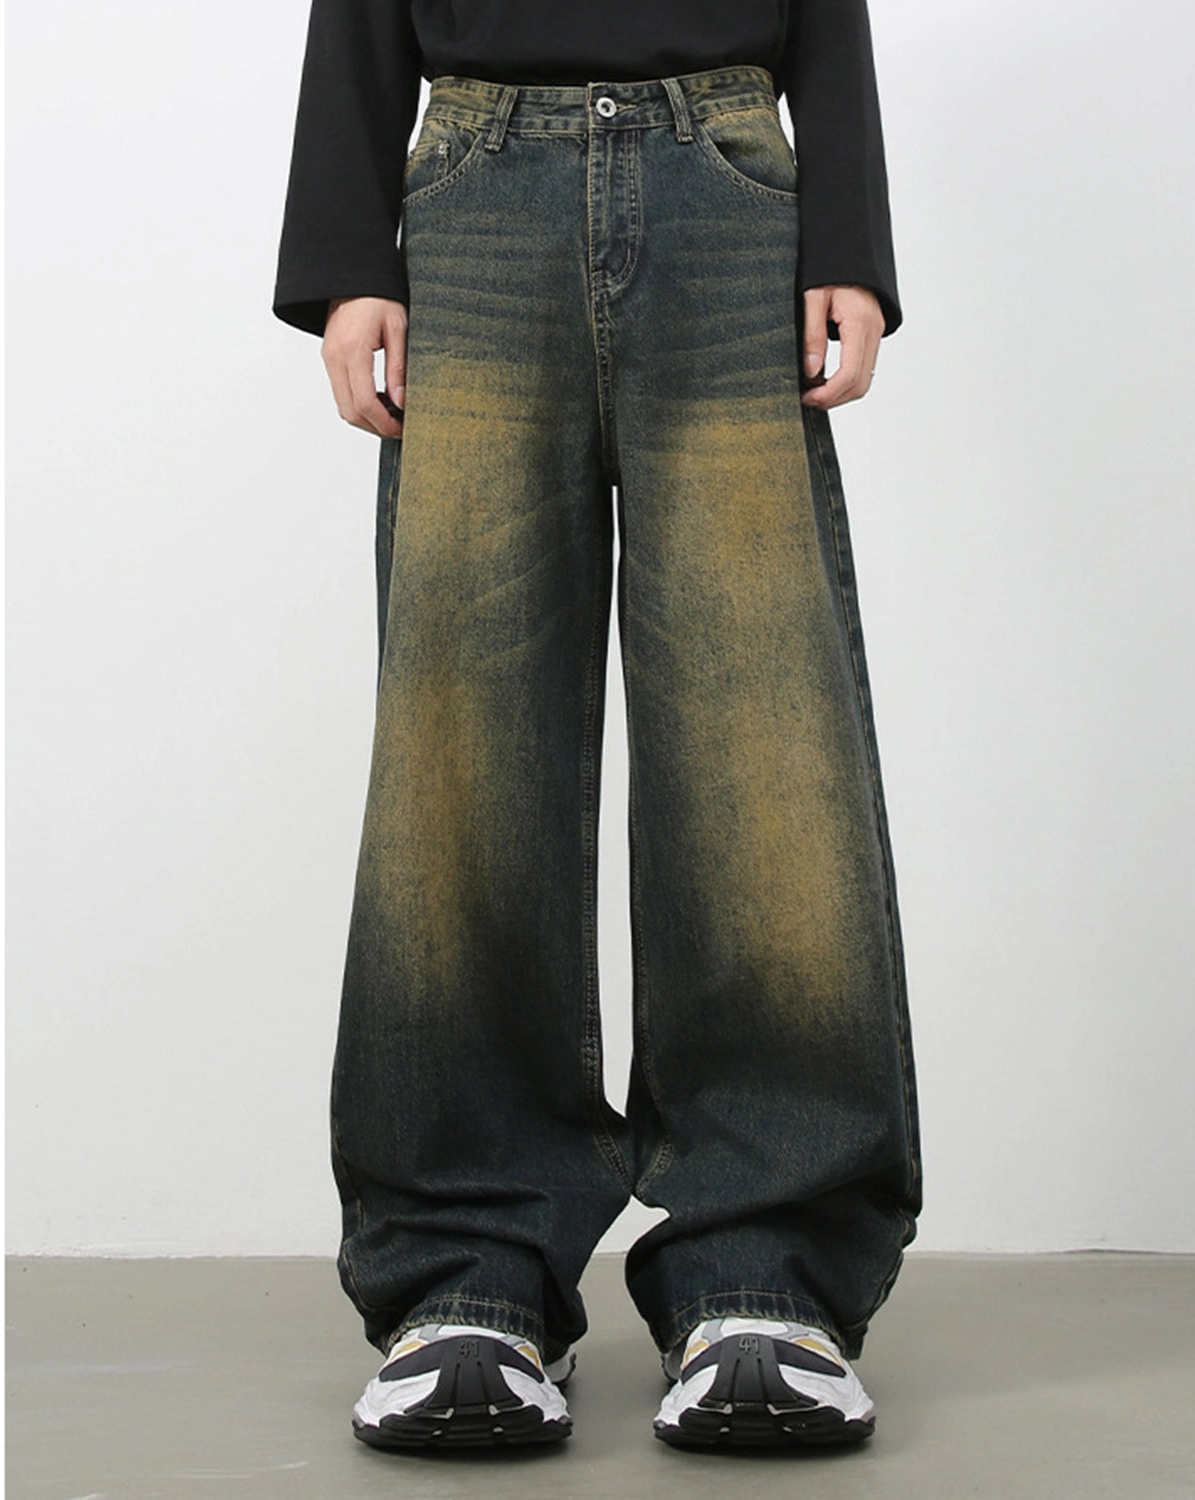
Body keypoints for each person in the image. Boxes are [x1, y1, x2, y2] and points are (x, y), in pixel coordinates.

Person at [273, 0, 922, 1454]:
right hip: (475, 192)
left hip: (732, 183)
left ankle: (767, 1272)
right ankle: (469, 1272)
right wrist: (342, 252)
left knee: (762, 742)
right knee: (461, 754)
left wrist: (849, 232)